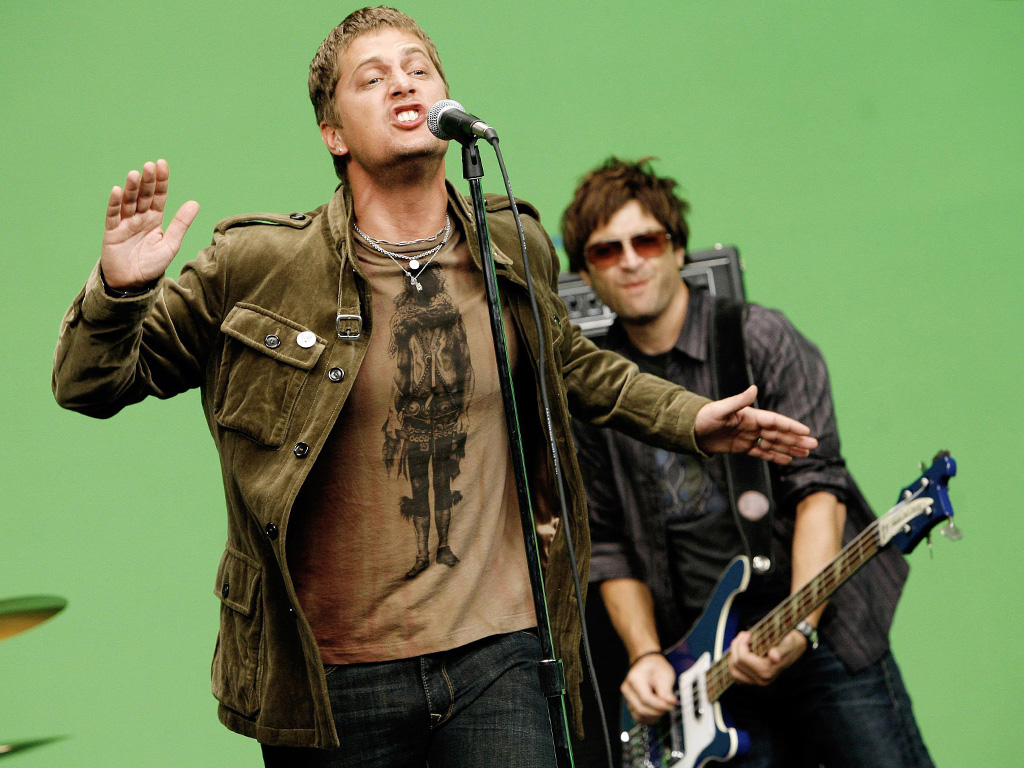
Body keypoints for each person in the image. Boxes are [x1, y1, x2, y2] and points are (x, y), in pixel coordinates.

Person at [51, 10, 817, 768]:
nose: (403, 84)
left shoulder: (512, 244)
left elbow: (571, 364)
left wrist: (691, 418)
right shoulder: (259, 266)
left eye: (418, 68)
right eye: (372, 78)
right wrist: (120, 291)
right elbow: (93, 383)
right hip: (335, 681)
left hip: (502, 655)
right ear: (333, 133)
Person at [562, 157, 934, 768]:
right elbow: (607, 544)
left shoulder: (758, 339)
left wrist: (800, 625)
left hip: (818, 628)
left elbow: (820, 489)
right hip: (703, 667)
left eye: (646, 241)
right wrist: (648, 655)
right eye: (606, 250)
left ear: (677, 248)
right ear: (583, 272)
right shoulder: (597, 391)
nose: (630, 261)